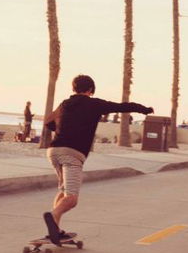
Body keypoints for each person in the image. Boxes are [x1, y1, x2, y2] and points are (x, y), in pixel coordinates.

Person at [42, 74, 154, 241]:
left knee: (63, 190)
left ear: (74, 88)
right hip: (73, 152)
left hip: (54, 151)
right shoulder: (95, 104)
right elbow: (122, 107)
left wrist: (60, 129)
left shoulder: (65, 104)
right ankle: (53, 215)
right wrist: (144, 110)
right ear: (90, 90)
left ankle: (55, 229)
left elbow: (48, 122)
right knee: (72, 198)